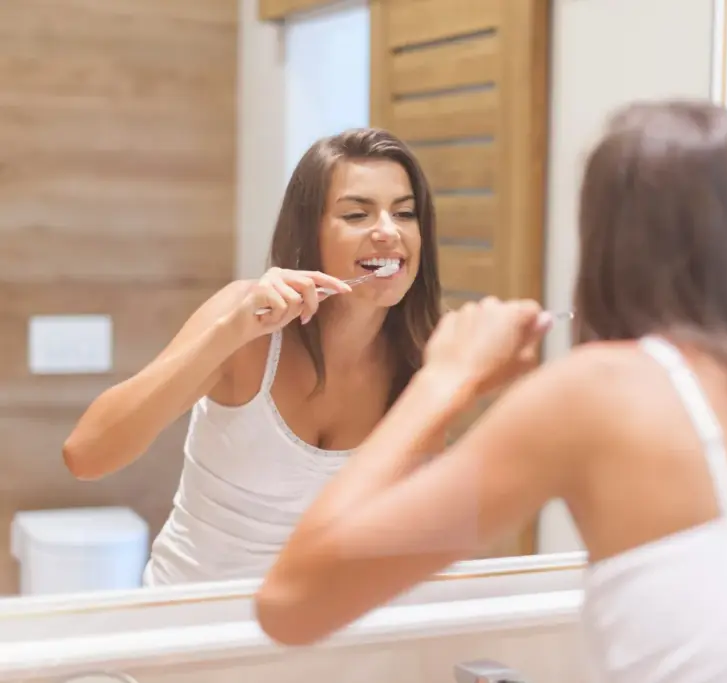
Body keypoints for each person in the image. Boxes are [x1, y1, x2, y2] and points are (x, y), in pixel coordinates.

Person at [254, 101, 727, 682]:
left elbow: (292, 599)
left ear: (611, 248)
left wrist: (445, 380)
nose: (386, 231)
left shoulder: (597, 397)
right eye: (357, 212)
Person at [62, 128, 443, 585]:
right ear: (309, 233)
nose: (388, 231)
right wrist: (229, 333)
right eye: (357, 214)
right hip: (192, 624)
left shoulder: (426, 361)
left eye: (404, 213)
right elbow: (86, 456)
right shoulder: (242, 320)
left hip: (318, 632)